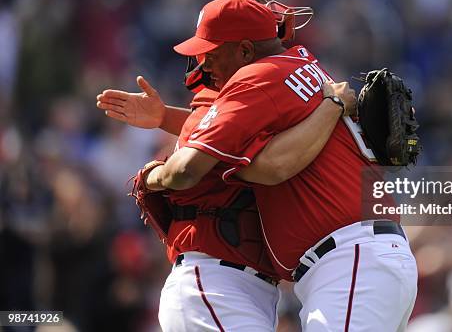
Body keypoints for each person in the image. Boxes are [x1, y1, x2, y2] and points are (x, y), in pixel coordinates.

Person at [137, 0, 418, 331]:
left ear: (244, 50)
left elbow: (196, 168)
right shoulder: (304, 66)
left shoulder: (258, 76)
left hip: (350, 261)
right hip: (366, 258)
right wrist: (167, 117)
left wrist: (151, 176)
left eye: (211, 52)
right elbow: (251, 142)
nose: (204, 63)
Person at [97, 31, 356, 330]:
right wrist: (152, 174)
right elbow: (248, 159)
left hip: (245, 288)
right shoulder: (231, 100)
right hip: (213, 283)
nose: (204, 65)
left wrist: (165, 118)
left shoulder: (248, 103)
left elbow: (231, 131)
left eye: (210, 55)